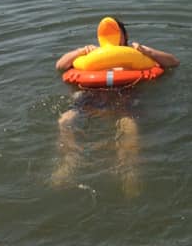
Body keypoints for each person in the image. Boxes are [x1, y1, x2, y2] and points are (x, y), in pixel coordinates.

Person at [51, 17, 178, 197]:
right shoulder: (91, 57)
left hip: (125, 98)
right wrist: (80, 51)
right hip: (92, 97)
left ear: (124, 36)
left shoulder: (136, 55)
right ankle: (70, 161)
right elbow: (60, 66)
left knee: (128, 126)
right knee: (66, 120)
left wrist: (146, 51)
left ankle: (128, 170)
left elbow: (173, 62)